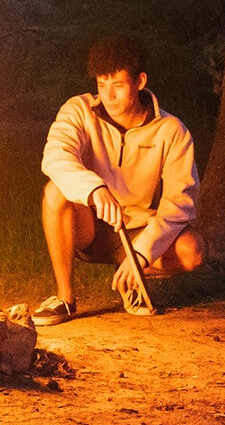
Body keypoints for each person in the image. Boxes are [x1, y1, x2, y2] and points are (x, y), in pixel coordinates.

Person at [33, 35, 204, 326]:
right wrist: (94, 188)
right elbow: (55, 156)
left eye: (118, 86)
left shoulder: (171, 130)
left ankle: (129, 277)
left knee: (193, 251)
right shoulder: (79, 111)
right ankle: (65, 299)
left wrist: (141, 252)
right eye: (101, 85)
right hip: (88, 227)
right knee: (54, 192)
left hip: (136, 230)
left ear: (139, 82)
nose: (108, 96)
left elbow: (181, 202)